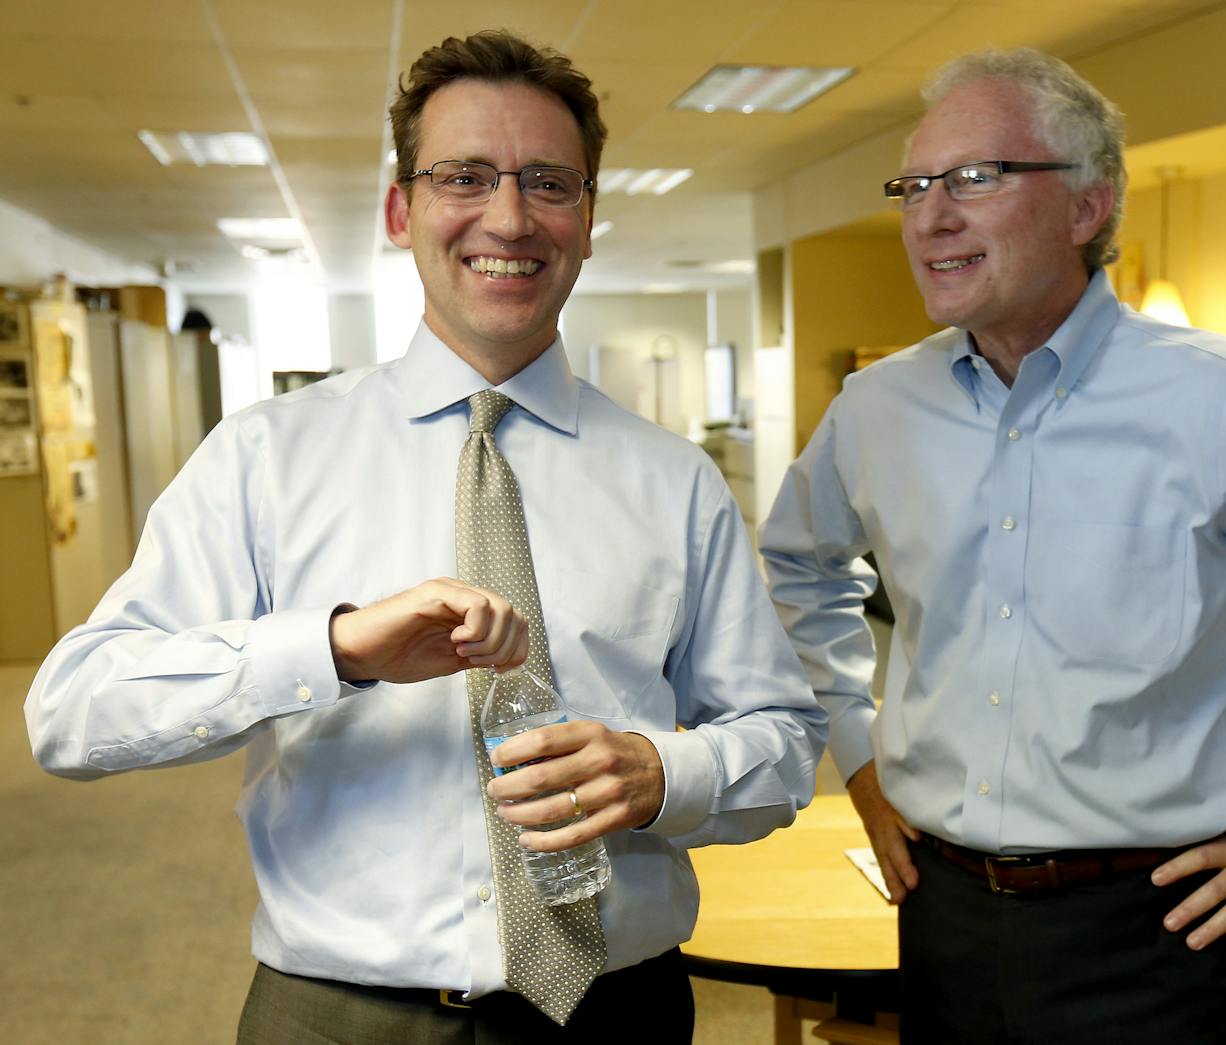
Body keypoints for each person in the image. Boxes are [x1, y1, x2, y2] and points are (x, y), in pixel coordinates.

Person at [25, 30, 826, 1044]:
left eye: (549, 183)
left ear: (586, 218)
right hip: (337, 1016)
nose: (509, 216)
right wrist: (330, 649)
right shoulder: (265, 456)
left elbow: (786, 740)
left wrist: (661, 771)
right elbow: (71, 712)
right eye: (465, 176)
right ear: (402, 212)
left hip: (613, 1014)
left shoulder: (674, 481)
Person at [758, 47, 1226, 1043]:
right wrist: (855, 753)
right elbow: (795, 566)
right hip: (934, 912)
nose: (929, 215)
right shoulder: (875, 409)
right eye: (914, 184)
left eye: (975, 178)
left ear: (1086, 207)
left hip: (1154, 929)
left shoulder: (1216, 402)